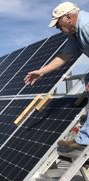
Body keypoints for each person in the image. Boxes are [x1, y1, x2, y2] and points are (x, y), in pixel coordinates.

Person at [24, 2, 89, 147]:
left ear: (68, 18)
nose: (58, 29)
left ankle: (85, 141)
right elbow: (64, 56)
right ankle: (85, 139)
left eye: (58, 24)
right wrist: (41, 72)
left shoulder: (86, 26)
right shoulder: (75, 33)